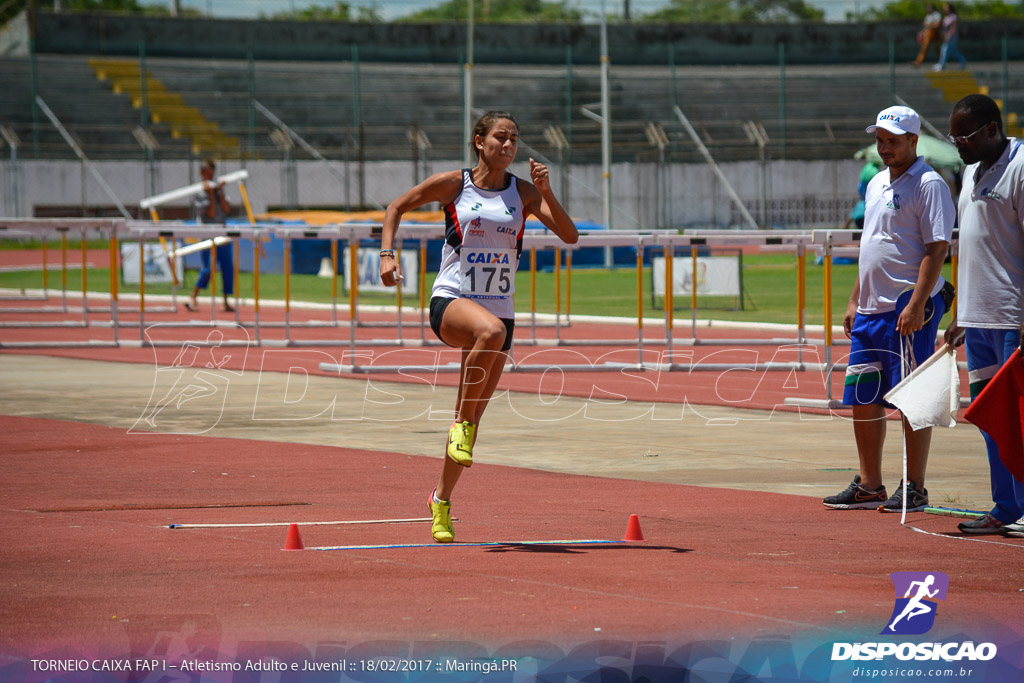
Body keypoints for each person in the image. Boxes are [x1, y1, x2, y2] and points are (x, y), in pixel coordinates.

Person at [379, 111, 578, 543]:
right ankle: (461, 428)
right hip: (452, 301)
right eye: (500, 138)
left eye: (515, 140)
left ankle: (440, 502)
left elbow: (569, 234)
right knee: (489, 335)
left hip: (498, 312)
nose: (508, 146)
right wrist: (386, 255)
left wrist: (546, 191)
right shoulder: (456, 184)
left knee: (466, 425)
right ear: (479, 141)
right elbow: (396, 207)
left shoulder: (523, 193)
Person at [823, 105, 955, 513]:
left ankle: (914, 486)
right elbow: (872, 246)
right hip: (869, 309)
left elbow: (937, 249)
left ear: (913, 141)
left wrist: (918, 305)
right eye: (880, 140)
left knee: (910, 399)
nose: (884, 148)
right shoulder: (877, 181)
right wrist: (853, 299)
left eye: (892, 141)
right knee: (863, 396)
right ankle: (869, 484)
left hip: (905, 309)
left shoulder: (929, 184)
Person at [942, 94, 1024, 536]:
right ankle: (1006, 506)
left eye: (965, 136)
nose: (959, 145)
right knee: (990, 417)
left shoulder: (1021, 167)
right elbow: (965, 245)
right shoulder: (971, 172)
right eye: (953, 136)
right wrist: (960, 310)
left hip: (1014, 318)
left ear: (993, 128)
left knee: (1020, 418)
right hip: (978, 320)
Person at [186, 159, 234, 313]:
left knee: (227, 267)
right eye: (208, 173)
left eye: (212, 173)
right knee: (208, 267)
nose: (211, 176)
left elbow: (226, 210)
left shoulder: (218, 190)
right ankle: (193, 297)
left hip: (223, 234)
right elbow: (211, 213)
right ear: (202, 173)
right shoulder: (199, 193)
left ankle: (226, 301)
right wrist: (212, 195)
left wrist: (218, 192)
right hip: (207, 235)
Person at [933, 2, 967, 72]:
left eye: (946, 8)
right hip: (946, 37)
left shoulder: (953, 16)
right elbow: (944, 28)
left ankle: (941, 65)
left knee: (944, 50)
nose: (944, 9)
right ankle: (963, 62)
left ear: (950, 8)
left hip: (952, 37)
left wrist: (949, 36)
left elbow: (953, 28)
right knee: (953, 51)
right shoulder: (946, 17)